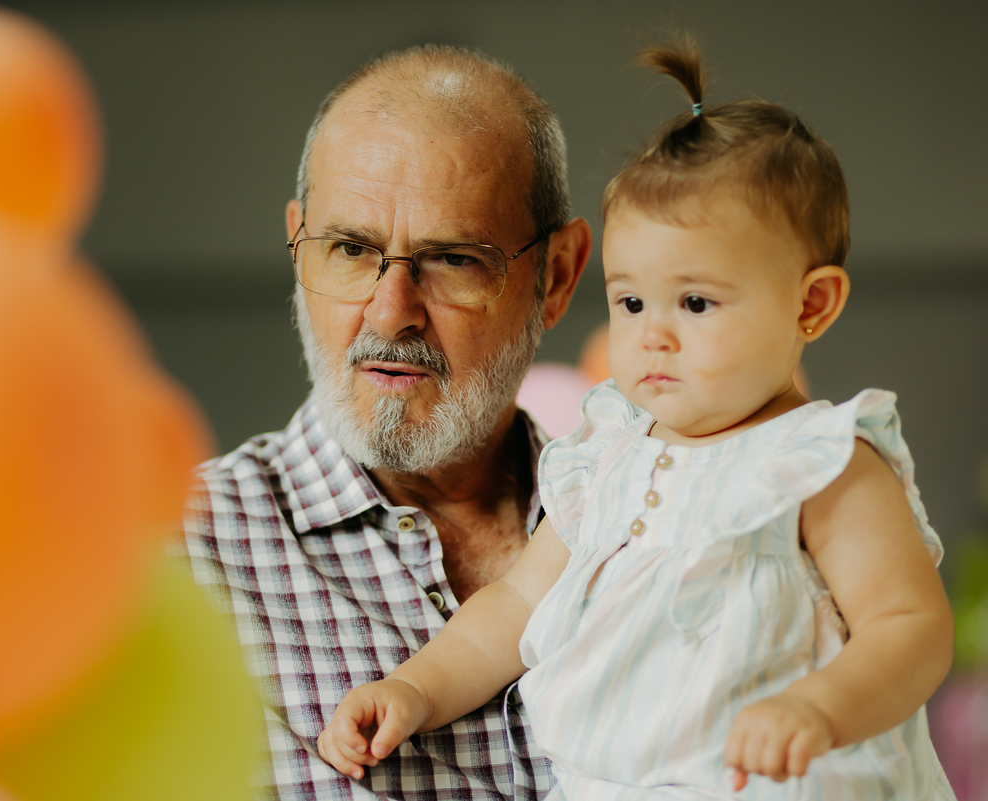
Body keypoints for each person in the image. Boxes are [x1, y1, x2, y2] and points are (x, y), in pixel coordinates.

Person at [318, 41, 955, 800]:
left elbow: (910, 626)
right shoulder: (610, 454)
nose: (653, 334)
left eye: (695, 302)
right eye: (630, 301)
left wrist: (822, 707)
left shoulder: (819, 461)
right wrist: (415, 690)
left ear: (810, 305)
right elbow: (514, 608)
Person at [182, 45, 592, 799]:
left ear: (557, 276)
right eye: (350, 249)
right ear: (298, 247)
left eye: (454, 259)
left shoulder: (648, 524)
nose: (390, 312)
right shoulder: (169, 565)